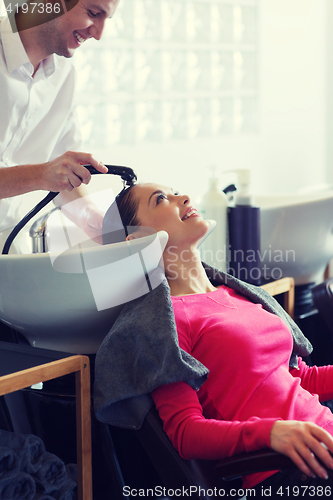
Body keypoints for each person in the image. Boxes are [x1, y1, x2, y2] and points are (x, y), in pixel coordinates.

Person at [102, 182, 333, 497]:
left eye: (175, 191)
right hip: (289, 473)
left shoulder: (238, 294)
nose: (183, 197)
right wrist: (271, 433)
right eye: (161, 200)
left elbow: (297, 378)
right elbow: (185, 432)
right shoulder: (162, 324)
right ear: (139, 241)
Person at [0, 0, 120, 247]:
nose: (98, 34)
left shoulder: (65, 76)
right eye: (93, 13)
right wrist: (40, 175)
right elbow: (49, 174)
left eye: (105, 19)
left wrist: (96, 222)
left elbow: (63, 178)